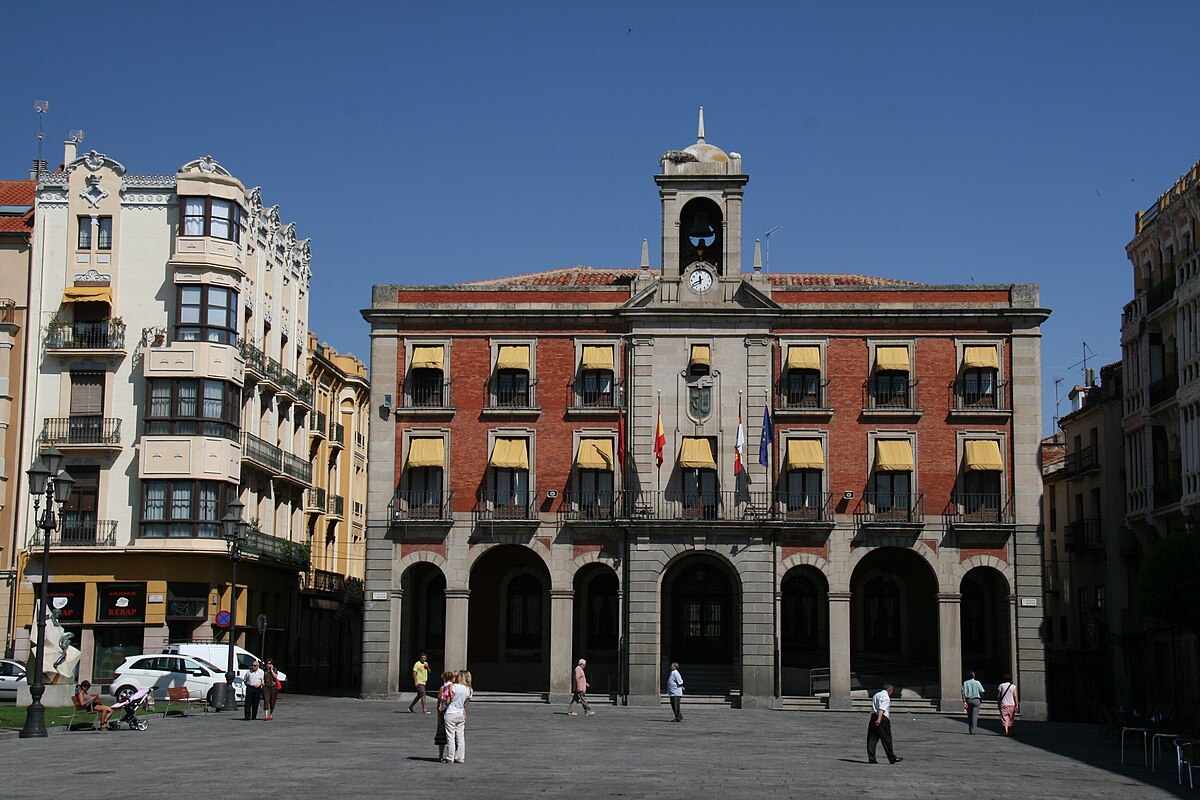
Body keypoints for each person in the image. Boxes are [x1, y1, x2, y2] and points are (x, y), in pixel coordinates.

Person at [867, 683, 902, 764]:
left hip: (873, 716)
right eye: (891, 691)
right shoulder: (886, 697)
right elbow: (881, 709)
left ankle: (871, 758)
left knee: (872, 738)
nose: (892, 693)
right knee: (886, 738)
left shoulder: (876, 695)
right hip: (882, 718)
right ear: (889, 690)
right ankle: (891, 757)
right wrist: (879, 719)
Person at [443, 670, 472, 764]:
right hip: (460, 713)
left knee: (450, 736)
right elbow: (465, 704)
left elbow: (447, 701)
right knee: (460, 736)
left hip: (451, 712)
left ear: (462, 677)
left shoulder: (454, 687)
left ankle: (450, 756)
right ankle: (460, 757)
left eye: (459, 676)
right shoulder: (469, 690)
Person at [435, 671, 454, 762]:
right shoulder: (453, 688)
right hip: (450, 711)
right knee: (450, 735)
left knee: (442, 735)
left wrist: (438, 715)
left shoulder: (442, 688)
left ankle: (440, 755)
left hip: (443, 712)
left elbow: (439, 703)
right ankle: (449, 754)